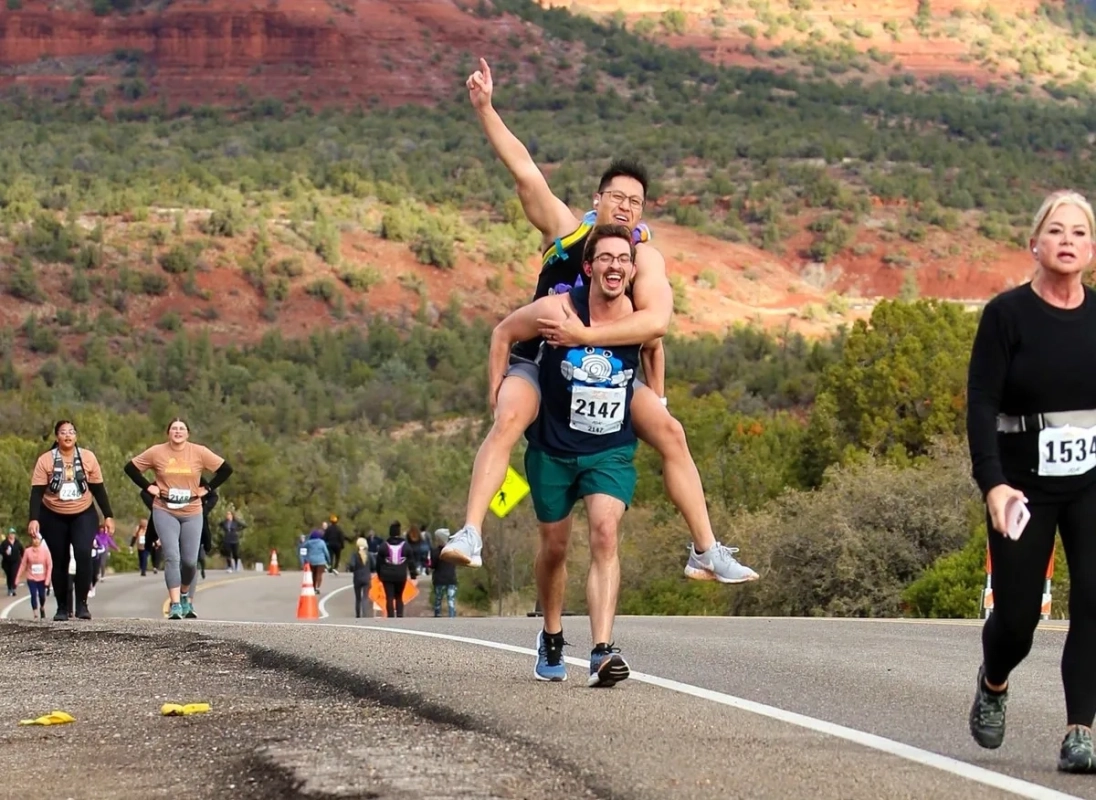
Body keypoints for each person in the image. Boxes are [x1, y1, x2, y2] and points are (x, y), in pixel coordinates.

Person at [441, 58, 756, 586]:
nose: (626, 207)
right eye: (617, 197)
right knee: (508, 416)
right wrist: (485, 109)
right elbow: (525, 171)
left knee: (671, 433)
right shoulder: (566, 230)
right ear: (598, 200)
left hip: (609, 371)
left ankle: (705, 550)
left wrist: (653, 389)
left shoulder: (644, 260)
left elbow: (657, 326)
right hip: (543, 363)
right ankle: (471, 532)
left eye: (635, 202)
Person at [966, 189, 1096, 773]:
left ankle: (1080, 732)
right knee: (1018, 618)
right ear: (1035, 244)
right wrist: (992, 483)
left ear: (1092, 249)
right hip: (1022, 485)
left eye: (1081, 233)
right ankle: (994, 681)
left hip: (1092, 479)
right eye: (1058, 231)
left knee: (1094, 601)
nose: (1069, 241)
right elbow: (981, 403)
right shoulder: (1006, 316)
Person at [490, 224, 644, 686]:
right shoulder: (556, 309)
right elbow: (503, 332)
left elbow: (655, 346)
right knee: (554, 548)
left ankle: (601, 650)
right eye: (605, 258)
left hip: (609, 450)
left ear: (632, 269)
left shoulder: (641, 316)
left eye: (622, 258)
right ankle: (551, 634)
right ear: (588, 266)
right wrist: (497, 396)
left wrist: (658, 399)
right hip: (553, 448)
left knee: (604, 532)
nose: (614, 265)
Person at [124, 418, 233, 621]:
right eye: (174, 428)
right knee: (172, 557)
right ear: (168, 433)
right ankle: (175, 604)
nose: (177, 431)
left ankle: (184, 595)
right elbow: (130, 468)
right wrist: (149, 487)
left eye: (182, 429)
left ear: (188, 434)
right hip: (164, 510)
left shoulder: (199, 452)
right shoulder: (157, 452)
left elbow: (226, 469)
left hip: (192, 511)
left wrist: (206, 488)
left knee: (190, 562)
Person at [28, 420, 116, 621]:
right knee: (60, 560)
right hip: (52, 515)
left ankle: (82, 604)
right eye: (63, 432)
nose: (67, 436)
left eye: (71, 432)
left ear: (76, 436)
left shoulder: (87, 457)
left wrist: (108, 515)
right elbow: (36, 493)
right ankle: (62, 607)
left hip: (83, 513)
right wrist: (33, 519)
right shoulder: (45, 460)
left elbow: (99, 489)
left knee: (83, 554)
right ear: (57, 437)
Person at [375, 521, 416, 618]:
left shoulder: (384, 546)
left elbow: (378, 563)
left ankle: (390, 616)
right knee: (399, 596)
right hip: (401, 575)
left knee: (389, 597)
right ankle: (400, 615)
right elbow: (411, 561)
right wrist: (413, 574)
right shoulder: (405, 546)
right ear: (399, 532)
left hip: (387, 575)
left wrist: (379, 575)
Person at [15, 530, 52, 620]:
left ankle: (42, 607)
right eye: (34, 539)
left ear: (40, 540)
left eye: (37, 539)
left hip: (42, 578)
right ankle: (35, 613)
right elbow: (23, 565)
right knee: (33, 594)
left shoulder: (45, 551)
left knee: (42, 596)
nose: (35, 541)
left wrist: (47, 579)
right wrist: (17, 578)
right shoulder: (28, 551)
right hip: (31, 577)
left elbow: (49, 565)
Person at [430, 528, 458, 618]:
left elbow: (433, 565)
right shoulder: (453, 550)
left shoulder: (435, 552)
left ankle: (438, 615)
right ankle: (452, 616)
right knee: (451, 599)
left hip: (439, 579)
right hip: (451, 578)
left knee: (438, 599)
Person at [347, 537, 374, 618]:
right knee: (365, 597)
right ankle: (365, 614)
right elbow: (374, 565)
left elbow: (352, 565)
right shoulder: (369, 555)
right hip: (366, 578)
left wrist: (353, 569)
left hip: (357, 578)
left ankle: (358, 615)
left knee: (358, 598)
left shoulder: (354, 555)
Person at [304, 529, 331, 594]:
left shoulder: (308, 543)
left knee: (313, 574)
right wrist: (328, 560)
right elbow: (326, 552)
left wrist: (305, 558)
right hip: (321, 561)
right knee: (319, 574)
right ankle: (318, 587)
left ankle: (313, 587)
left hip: (311, 561)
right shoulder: (322, 542)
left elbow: (303, 548)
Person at [2, 528, 24, 597]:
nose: (12, 535)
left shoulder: (17, 542)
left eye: (13, 534)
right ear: (8, 535)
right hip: (7, 562)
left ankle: (13, 588)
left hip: (16, 561)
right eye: (11, 533)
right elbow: (1, 550)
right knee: (9, 575)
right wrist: (5, 552)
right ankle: (9, 588)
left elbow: (22, 550)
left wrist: (23, 558)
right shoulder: (5, 543)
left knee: (14, 574)